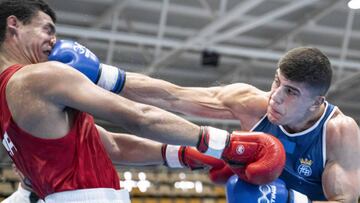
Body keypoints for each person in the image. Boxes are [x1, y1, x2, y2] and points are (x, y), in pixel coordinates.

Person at [0, 0, 286, 202]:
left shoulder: (8, 97)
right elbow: (139, 116)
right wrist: (228, 144)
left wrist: (182, 154)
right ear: (14, 25)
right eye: (47, 29)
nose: (54, 41)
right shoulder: (39, 77)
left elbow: (112, 146)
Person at [65, 45, 360, 203]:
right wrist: (103, 75)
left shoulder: (338, 132)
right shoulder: (251, 103)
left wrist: (287, 200)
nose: (275, 97)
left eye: (291, 91)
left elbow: (345, 200)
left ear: (316, 101)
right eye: (276, 82)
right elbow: (173, 96)